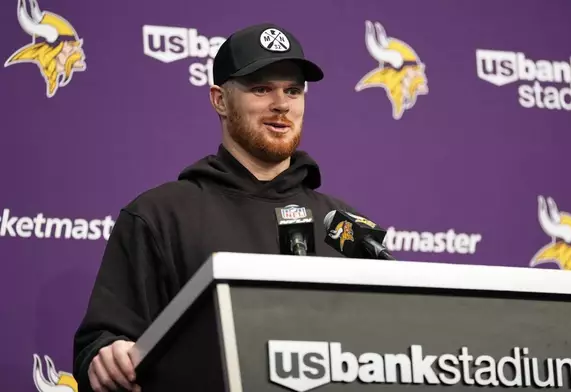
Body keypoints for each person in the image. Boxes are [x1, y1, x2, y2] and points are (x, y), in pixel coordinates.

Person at [72, 22, 360, 392]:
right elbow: (100, 343)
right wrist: (107, 355)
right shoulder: (160, 214)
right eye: (261, 89)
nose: (281, 104)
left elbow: (399, 325)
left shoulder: (341, 223)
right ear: (220, 100)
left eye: (293, 90)